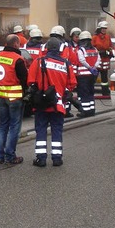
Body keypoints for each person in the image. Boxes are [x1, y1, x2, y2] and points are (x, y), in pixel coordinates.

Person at [28, 37, 76, 167]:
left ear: (47, 48)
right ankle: (57, 158)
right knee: (57, 130)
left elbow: (30, 81)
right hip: (58, 105)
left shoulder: (38, 62)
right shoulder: (66, 64)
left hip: (41, 104)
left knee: (41, 130)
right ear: (60, 49)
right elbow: (71, 84)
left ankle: (41, 159)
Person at [0, 34, 28, 165]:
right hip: (15, 98)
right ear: (16, 44)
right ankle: (10, 156)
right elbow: (25, 79)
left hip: (1, 96)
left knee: (2, 126)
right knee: (14, 127)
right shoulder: (18, 59)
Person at [76, 31, 100, 117]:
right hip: (92, 75)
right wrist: (94, 68)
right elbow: (98, 60)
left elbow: (82, 60)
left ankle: (85, 111)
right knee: (91, 93)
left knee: (84, 94)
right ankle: (92, 110)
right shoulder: (95, 49)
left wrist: (89, 67)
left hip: (83, 76)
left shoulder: (81, 50)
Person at [92, 21, 113, 96]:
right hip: (97, 60)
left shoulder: (107, 37)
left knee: (105, 79)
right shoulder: (95, 37)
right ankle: (90, 91)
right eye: (103, 28)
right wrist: (99, 52)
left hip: (105, 60)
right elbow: (92, 48)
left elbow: (110, 46)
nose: (104, 30)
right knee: (94, 77)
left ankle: (105, 92)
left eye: (105, 28)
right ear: (99, 29)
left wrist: (110, 52)